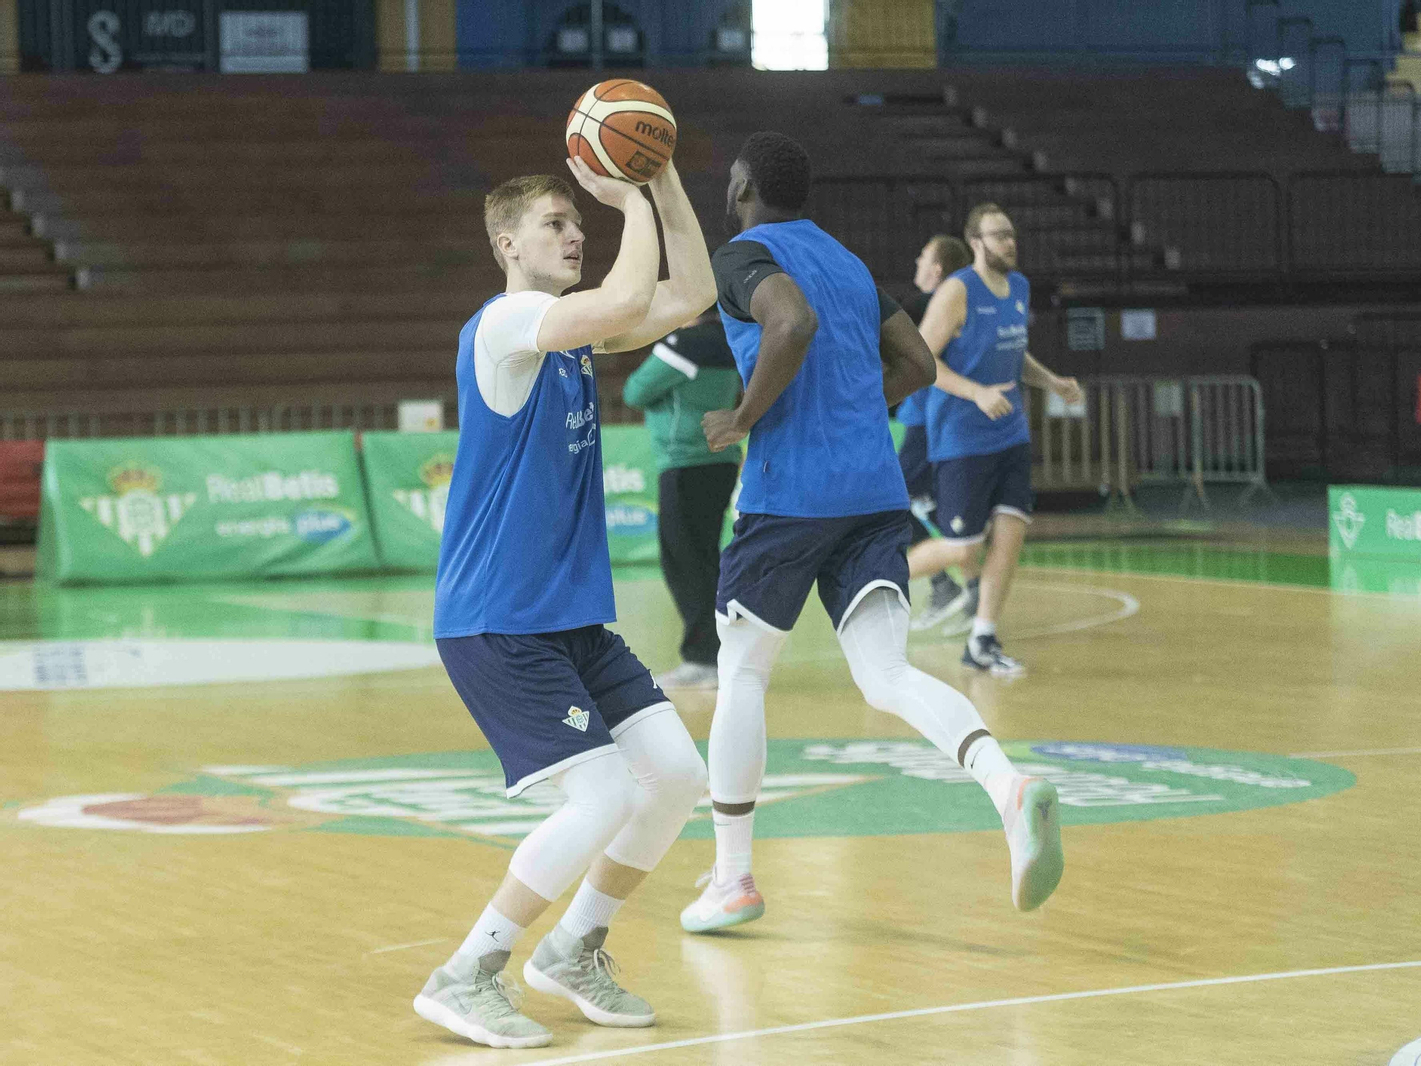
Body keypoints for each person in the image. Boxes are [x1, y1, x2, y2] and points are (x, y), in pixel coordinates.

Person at [678, 132, 1065, 935]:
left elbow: (790, 324)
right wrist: (854, 406)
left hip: (790, 494)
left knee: (743, 673)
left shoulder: (741, 253)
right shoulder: (849, 261)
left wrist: (748, 416)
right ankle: (1007, 786)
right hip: (873, 489)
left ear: (743, 183)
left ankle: (732, 877)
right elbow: (919, 364)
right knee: (885, 674)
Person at [414, 158, 715, 1049]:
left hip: (569, 619)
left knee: (677, 776)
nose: (575, 232)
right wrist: (626, 196)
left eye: (577, 220)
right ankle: (466, 973)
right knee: (602, 797)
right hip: (497, 619)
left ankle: (574, 948)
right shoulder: (509, 323)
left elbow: (690, 293)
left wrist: (661, 184)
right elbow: (628, 303)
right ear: (507, 245)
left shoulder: (568, 337)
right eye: (555, 223)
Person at [908, 203, 1083, 677]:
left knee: (1011, 531)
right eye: (999, 235)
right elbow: (921, 360)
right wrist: (975, 392)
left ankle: (982, 639)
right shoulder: (957, 291)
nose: (1010, 242)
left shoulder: (1020, 288)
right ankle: (875, 580)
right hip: (962, 439)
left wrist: (1053, 383)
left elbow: (1014, 353)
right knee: (965, 548)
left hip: (1011, 434)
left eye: (1012, 234)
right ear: (976, 243)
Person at [622, 310, 743, 690]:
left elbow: (635, 391)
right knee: (705, 559)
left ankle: (703, 659)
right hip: (721, 460)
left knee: (684, 562)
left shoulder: (685, 345)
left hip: (685, 461)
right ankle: (720, 653)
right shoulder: (731, 340)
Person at [898, 235, 980, 632]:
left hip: (931, 420)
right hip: (924, 417)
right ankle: (970, 588)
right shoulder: (937, 308)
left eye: (923, 256)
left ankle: (949, 584)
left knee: (896, 501)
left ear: (937, 270)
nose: (915, 260)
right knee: (929, 505)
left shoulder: (938, 306)